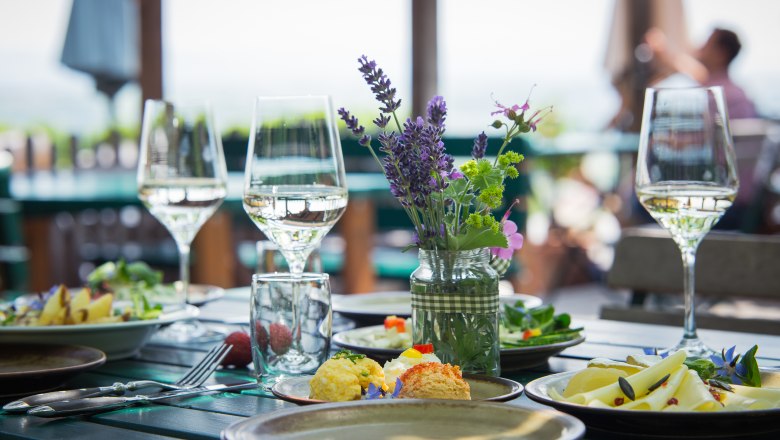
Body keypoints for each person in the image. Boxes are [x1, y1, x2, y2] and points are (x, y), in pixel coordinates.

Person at [646, 27, 758, 119]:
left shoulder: (725, 95)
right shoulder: (720, 87)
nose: (701, 47)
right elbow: (691, 70)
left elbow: (712, 135)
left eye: (707, 43)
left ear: (721, 54)